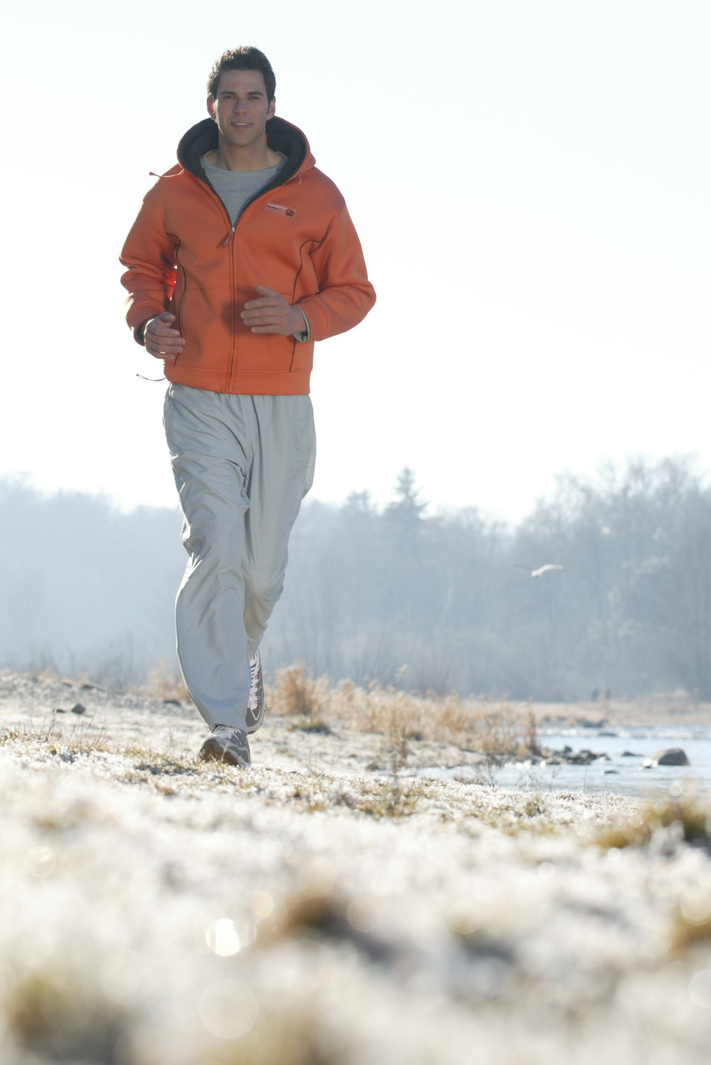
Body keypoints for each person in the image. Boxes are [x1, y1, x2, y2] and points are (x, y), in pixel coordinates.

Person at [120, 46, 375, 767]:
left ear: (271, 105)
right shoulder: (174, 192)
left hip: (281, 401)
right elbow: (141, 267)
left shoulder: (315, 195)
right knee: (216, 548)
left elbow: (355, 291)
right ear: (212, 106)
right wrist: (148, 321)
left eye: (252, 96)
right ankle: (227, 724)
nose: (240, 108)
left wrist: (299, 317)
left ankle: (245, 648)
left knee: (260, 574)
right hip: (197, 394)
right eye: (228, 96)